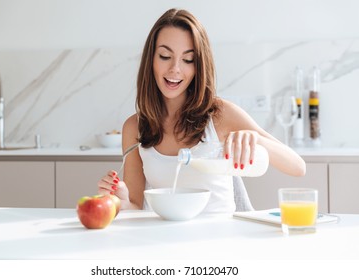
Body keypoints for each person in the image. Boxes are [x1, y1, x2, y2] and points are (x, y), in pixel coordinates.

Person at [98, 8, 306, 212]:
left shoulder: (220, 115)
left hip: (220, 240)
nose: (175, 69)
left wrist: (254, 138)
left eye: (188, 60)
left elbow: (297, 167)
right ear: (150, 60)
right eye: (164, 56)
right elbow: (135, 205)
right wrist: (123, 202)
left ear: (199, 66)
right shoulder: (135, 127)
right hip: (163, 241)